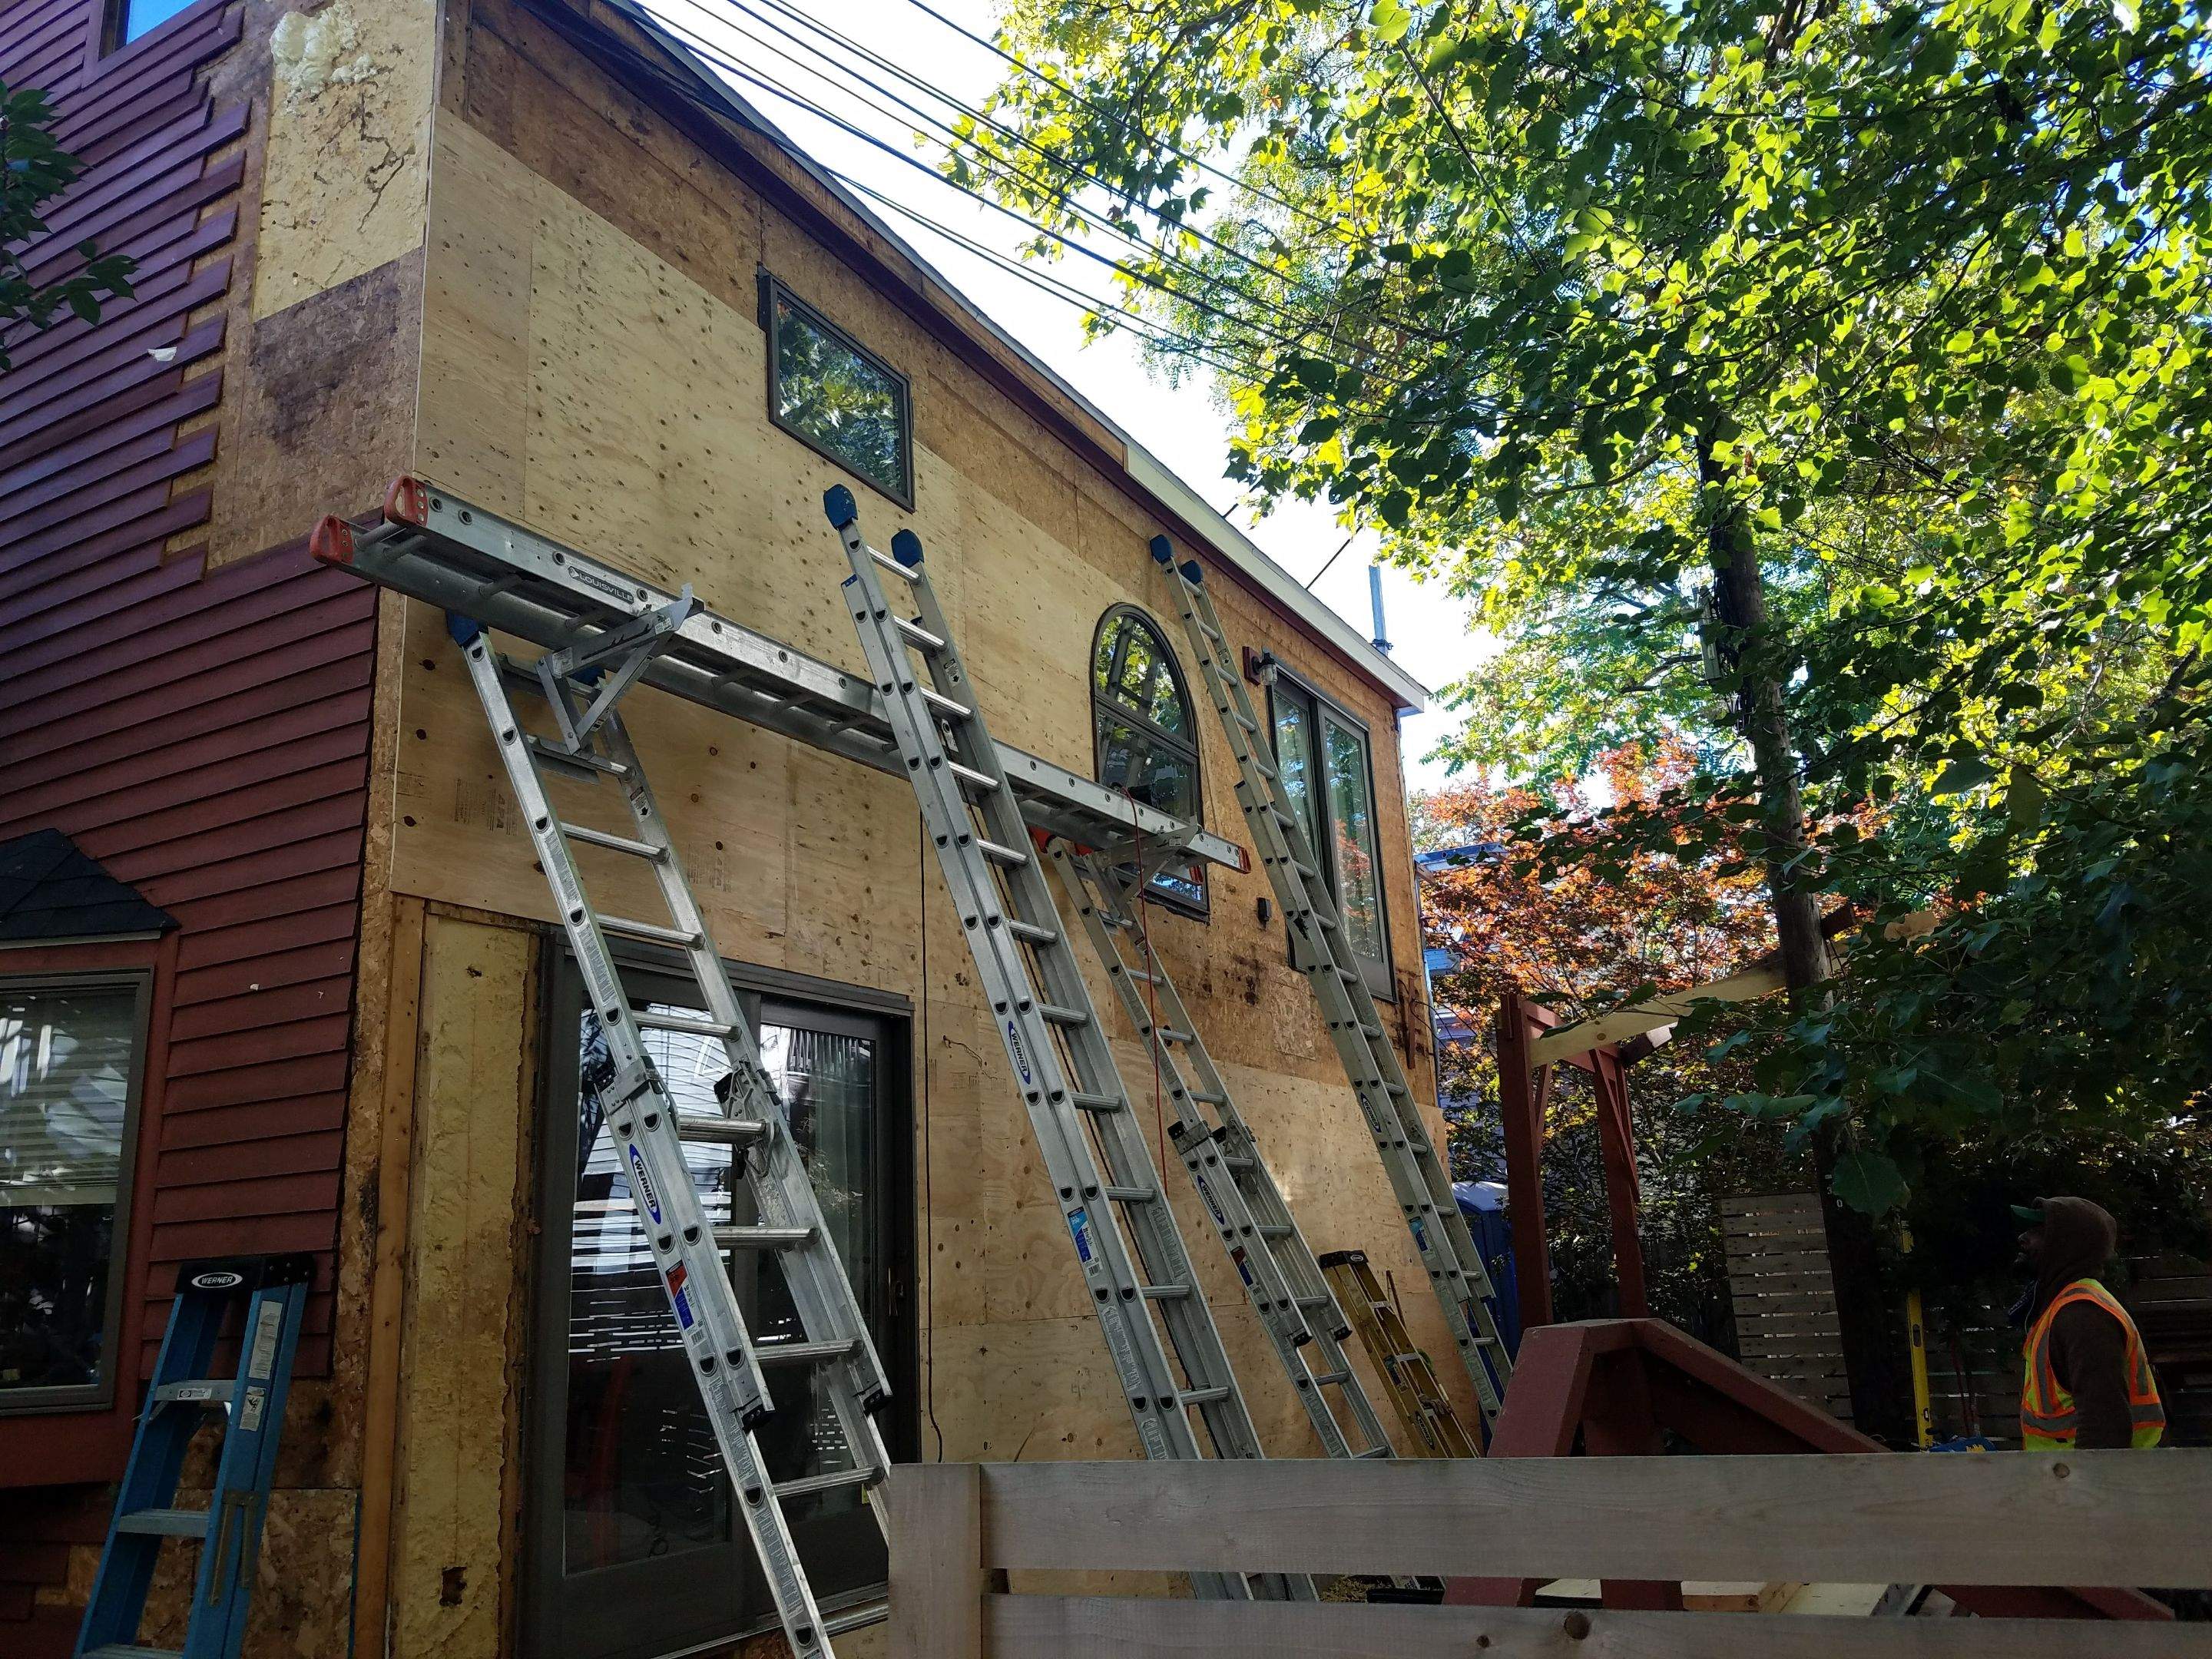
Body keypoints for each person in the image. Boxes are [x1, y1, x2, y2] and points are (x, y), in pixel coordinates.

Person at [2014, 1196, 2164, 1450]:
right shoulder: (2064, 1307)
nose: (2023, 1238)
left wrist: (2086, 1488)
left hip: (2096, 1484)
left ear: (2064, 1246)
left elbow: (2104, 1425)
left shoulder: (2082, 1314)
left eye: (2037, 1230)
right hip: (2066, 1482)